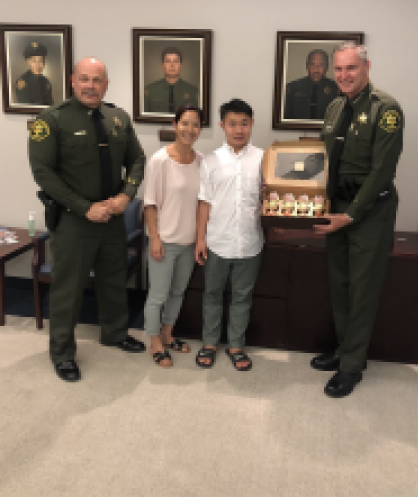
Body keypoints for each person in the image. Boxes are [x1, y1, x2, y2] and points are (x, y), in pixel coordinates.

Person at [28, 57, 146, 382]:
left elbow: (137, 159)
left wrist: (125, 196)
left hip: (112, 216)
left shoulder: (118, 118)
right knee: (69, 289)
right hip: (74, 220)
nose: (91, 85)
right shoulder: (51, 120)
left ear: (106, 84)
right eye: (85, 79)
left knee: (113, 278)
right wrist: (83, 207)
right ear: (72, 81)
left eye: (97, 80)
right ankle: (63, 353)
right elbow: (43, 173)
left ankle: (115, 333)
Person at [312, 42, 404, 398]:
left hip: (368, 213)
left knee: (363, 290)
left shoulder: (387, 110)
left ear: (367, 67)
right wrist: (316, 202)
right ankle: (344, 349)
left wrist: (350, 215)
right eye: (338, 69)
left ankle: (352, 366)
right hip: (336, 207)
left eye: (350, 68)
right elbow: (324, 159)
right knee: (340, 284)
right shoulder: (335, 107)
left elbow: (383, 171)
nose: (343, 76)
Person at [195, 98, 263, 371]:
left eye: (244, 123)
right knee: (212, 294)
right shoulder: (210, 161)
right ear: (223, 126)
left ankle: (236, 345)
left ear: (252, 125)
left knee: (242, 297)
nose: (239, 129)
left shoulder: (263, 158)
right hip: (217, 242)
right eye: (233, 123)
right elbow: (204, 202)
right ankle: (210, 343)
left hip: (250, 242)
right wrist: (200, 239)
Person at [143, 103, 203, 367]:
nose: (189, 129)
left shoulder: (202, 161)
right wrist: (154, 237)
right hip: (164, 241)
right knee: (158, 295)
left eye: (195, 124)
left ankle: (168, 334)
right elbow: (149, 203)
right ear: (175, 125)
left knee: (178, 292)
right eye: (185, 123)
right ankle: (154, 340)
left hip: (189, 242)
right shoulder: (160, 160)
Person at [283, 49, 339, 120]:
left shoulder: (336, 89)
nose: (316, 70)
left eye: (321, 65)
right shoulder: (292, 88)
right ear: (307, 66)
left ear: (326, 67)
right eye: (312, 65)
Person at [144, 47, 198, 113]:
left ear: (181, 66)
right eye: (168, 61)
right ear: (163, 66)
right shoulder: (150, 91)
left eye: (175, 61)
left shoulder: (193, 92)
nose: (172, 65)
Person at [15, 41, 53, 106]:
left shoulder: (46, 82)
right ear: (28, 62)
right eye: (34, 61)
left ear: (44, 63)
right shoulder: (22, 82)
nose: (37, 65)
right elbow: (24, 107)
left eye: (41, 61)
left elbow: (50, 105)